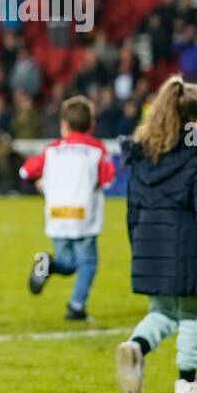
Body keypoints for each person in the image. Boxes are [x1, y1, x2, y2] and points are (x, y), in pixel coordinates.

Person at [115, 77, 197, 393]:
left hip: (149, 247)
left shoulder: (143, 158)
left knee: (164, 313)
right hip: (190, 250)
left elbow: (133, 211)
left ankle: (135, 347)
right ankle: (187, 384)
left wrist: (139, 249)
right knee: (195, 315)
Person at [22, 96, 116, 320]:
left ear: (63, 124)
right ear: (91, 125)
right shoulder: (96, 149)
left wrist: (43, 180)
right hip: (83, 214)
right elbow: (108, 179)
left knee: (67, 262)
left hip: (57, 214)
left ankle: (46, 264)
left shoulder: (52, 149)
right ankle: (76, 307)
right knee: (87, 262)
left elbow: (25, 172)